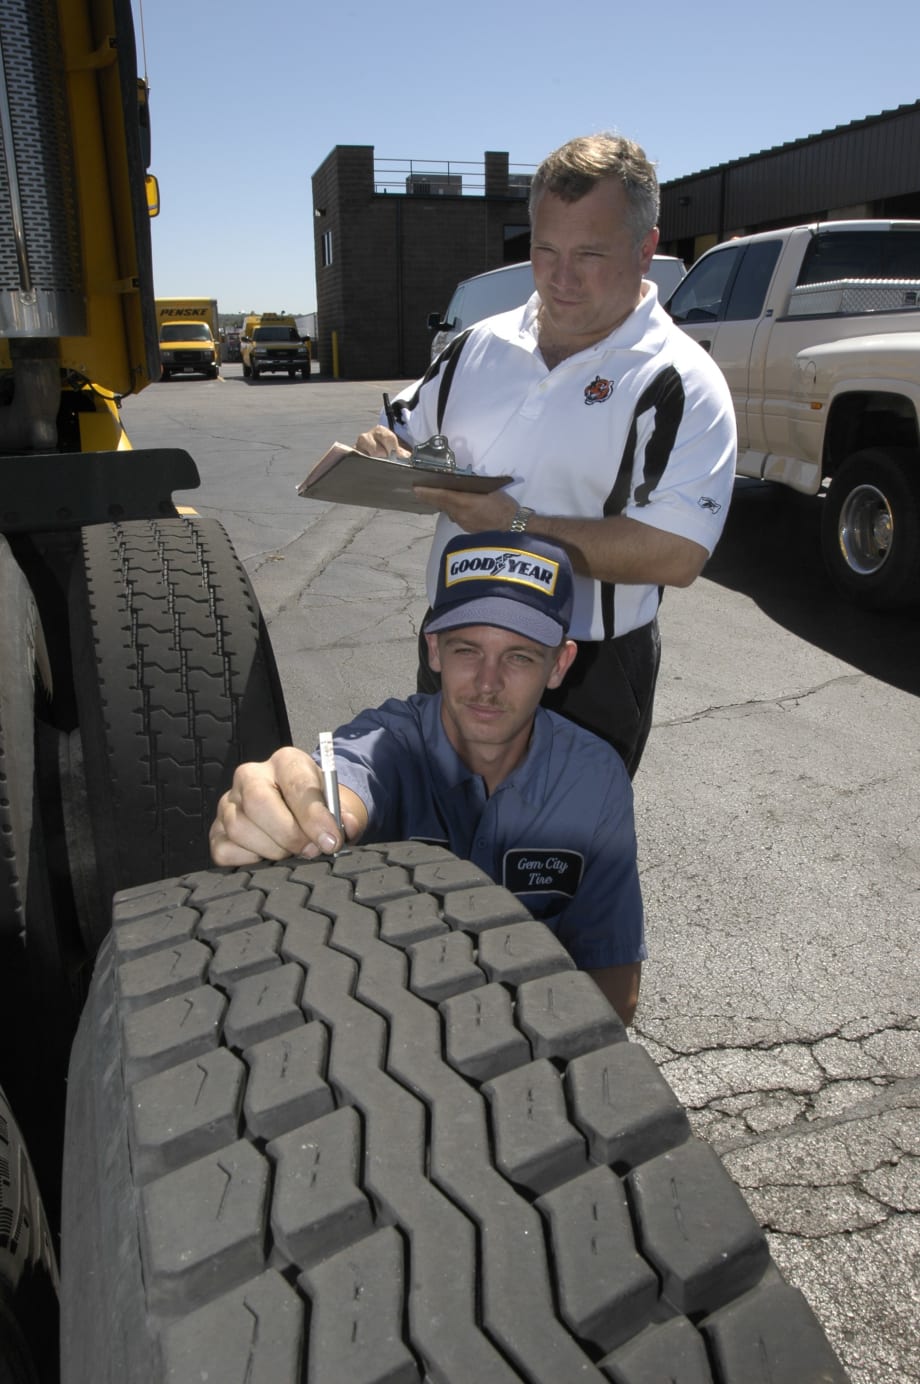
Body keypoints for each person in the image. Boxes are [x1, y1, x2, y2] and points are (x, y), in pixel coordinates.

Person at [355, 132, 737, 777]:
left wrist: (515, 523)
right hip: (457, 642)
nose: (561, 278)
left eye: (590, 253)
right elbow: (414, 434)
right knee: (443, 840)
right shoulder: (477, 345)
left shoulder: (680, 380)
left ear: (646, 249)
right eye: (545, 250)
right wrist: (387, 451)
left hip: (584, 667)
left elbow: (677, 554)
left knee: (555, 863)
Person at [211, 531, 646, 1025]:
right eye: (467, 651)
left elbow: (615, 980)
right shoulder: (389, 739)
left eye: (519, 657)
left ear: (559, 664)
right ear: (434, 650)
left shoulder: (594, 779)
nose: (487, 683)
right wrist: (298, 811)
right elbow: (349, 781)